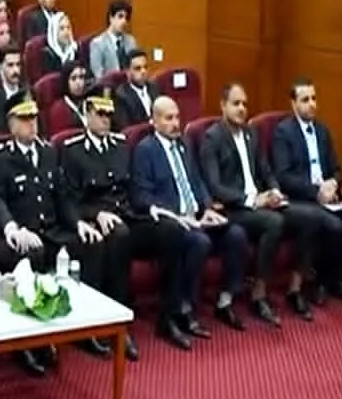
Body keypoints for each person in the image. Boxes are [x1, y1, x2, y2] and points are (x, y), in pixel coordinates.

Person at [131, 97, 245, 348]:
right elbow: (141, 196)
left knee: (235, 234)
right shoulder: (145, 150)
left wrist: (207, 208)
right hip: (174, 222)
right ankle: (182, 309)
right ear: (154, 121)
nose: (175, 123)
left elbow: (197, 182)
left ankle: (225, 301)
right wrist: (177, 215)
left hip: (197, 216)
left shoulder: (185, 143)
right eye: (168, 118)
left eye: (177, 117)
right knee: (199, 242)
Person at [199, 82, 312, 325]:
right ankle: (259, 294)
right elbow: (215, 186)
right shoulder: (212, 138)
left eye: (244, 104)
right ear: (223, 106)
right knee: (274, 222)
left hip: (261, 202)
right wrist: (251, 200)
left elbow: (265, 169)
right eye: (236, 104)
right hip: (234, 208)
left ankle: (295, 289)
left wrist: (275, 191)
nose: (242, 108)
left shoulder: (251, 133)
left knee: (306, 218)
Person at [0, 97, 76, 375]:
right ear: (11, 125)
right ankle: (28, 342)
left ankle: (76, 329)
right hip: (22, 232)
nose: (31, 124)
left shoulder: (48, 152)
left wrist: (79, 223)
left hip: (51, 229)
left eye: (34, 118)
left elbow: (62, 197)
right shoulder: (1, 160)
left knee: (86, 244)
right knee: (31, 255)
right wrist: (14, 228)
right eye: (24, 119)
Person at [270, 77, 342, 306]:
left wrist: (333, 183)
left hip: (329, 198)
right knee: (333, 226)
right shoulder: (283, 132)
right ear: (294, 104)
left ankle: (337, 277)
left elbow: (336, 169)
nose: (312, 104)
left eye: (314, 99)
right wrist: (317, 191)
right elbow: (284, 177)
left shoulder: (322, 131)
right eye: (305, 100)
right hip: (302, 200)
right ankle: (322, 281)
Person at [56, 94, 142, 361]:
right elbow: (69, 198)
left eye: (109, 115)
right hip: (95, 218)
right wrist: (95, 214)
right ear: (87, 115)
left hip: (126, 214)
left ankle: (171, 313)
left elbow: (129, 188)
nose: (106, 120)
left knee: (170, 232)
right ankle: (111, 319)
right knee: (116, 237)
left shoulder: (120, 145)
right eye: (100, 114)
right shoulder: (73, 150)